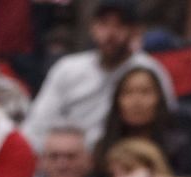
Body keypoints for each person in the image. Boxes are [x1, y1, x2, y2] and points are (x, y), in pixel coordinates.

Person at [20, 0, 173, 147]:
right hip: (70, 158)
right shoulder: (67, 69)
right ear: (92, 27)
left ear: (135, 31)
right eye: (104, 24)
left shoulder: (149, 71)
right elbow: (36, 127)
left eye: (120, 25)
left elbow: (166, 127)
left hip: (126, 159)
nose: (110, 34)